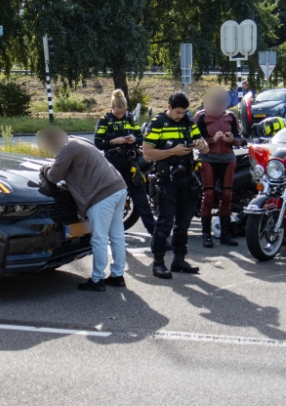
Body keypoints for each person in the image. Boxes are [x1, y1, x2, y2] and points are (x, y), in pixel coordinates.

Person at [37, 126, 128, 292]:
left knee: (99, 238)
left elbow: (53, 176)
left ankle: (97, 279)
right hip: (118, 187)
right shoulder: (79, 141)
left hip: (101, 195)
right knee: (117, 235)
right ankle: (117, 275)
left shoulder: (67, 148)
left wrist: (45, 168)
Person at [142, 92, 209, 279]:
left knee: (184, 222)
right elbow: (147, 153)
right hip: (167, 179)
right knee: (164, 223)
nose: (181, 116)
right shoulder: (157, 123)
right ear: (169, 107)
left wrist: (200, 144)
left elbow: (206, 148)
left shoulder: (188, 122)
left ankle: (179, 260)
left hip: (187, 177)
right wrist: (172, 151)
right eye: (178, 112)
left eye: (184, 112)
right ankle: (158, 263)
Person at [94, 89, 156, 235]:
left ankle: (155, 234)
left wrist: (134, 139)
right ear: (111, 108)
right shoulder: (104, 120)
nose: (121, 115)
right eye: (118, 113)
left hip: (131, 163)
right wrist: (113, 142)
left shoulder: (130, 118)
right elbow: (98, 143)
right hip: (113, 163)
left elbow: (141, 139)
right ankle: (105, 232)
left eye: (123, 112)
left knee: (142, 200)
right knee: (111, 201)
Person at [194, 87, 246, 248]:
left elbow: (240, 140)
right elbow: (194, 140)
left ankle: (225, 233)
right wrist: (211, 140)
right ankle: (206, 234)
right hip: (208, 158)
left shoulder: (230, 116)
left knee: (227, 195)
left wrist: (233, 140)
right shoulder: (201, 116)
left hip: (228, 158)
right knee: (208, 194)